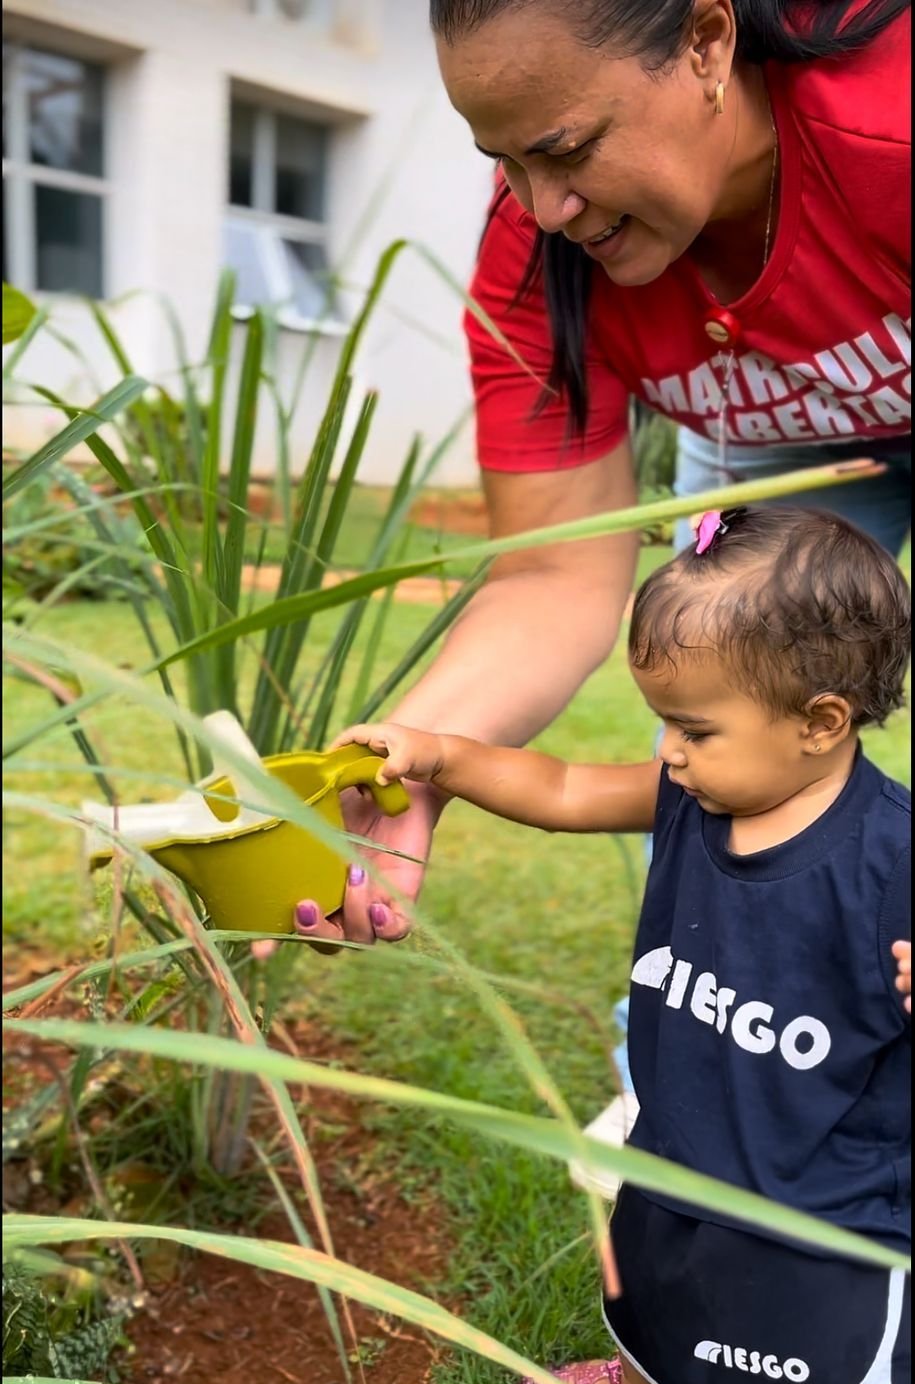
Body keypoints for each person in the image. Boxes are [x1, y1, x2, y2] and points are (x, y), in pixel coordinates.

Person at [258, 0, 910, 976]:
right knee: (727, 736)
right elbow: (552, 577)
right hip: (781, 444)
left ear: (707, 43)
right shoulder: (534, 261)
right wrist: (405, 767)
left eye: (566, 149)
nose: (543, 208)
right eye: (506, 163)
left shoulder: (888, 127)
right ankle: (692, 1025)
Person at [332, 505, 911, 1384]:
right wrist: (441, 755)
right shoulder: (691, 798)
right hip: (688, 1134)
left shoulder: (894, 859)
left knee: (782, 1354)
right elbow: (557, 790)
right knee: (664, 1273)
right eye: (662, 725)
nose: (668, 752)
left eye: (693, 728)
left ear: (820, 721)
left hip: (815, 1198)